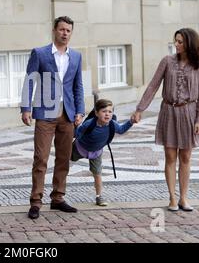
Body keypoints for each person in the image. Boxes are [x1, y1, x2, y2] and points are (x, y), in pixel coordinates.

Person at [132, 28, 199, 212]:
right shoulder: (167, 61)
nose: (176, 44)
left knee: (186, 156)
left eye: (180, 41)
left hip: (189, 112)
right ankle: (172, 198)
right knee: (170, 156)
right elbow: (153, 86)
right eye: (176, 41)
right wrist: (140, 109)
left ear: (190, 43)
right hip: (169, 111)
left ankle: (183, 197)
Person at [21, 16, 85, 220]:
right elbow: (29, 80)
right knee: (41, 158)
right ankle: (36, 201)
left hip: (67, 114)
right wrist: (26, 107)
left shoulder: (75, 57)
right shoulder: (40, 53)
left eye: (68, 30)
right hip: (44, 114)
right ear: (54, 31)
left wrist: (80, 111)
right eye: (62, 29)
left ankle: (58, 198)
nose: (65, 33)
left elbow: (78, 86)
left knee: (64, 158)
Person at [73, 99, 134, 207]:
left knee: (98, 174)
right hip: (79, 148)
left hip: (96, 152)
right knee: (63, 164)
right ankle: (59, 193)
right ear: (96, 113)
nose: (107, 114)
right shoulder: (89, 124)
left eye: (110, 112)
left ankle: (99, 197)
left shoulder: (112, 124)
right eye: (104, 111)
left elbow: (121, 129)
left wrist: (131, 122)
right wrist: (76, 125)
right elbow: (77, 133)